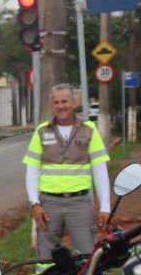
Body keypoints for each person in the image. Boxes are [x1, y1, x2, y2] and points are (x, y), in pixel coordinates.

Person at [23, 84, 111, 258]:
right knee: (46, 257)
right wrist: (35, 203)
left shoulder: (88, 129)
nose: (61, 106)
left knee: (88, 254)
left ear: (74, 102)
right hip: (49, 205)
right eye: (56, 102)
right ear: (52, 105)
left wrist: (105, 207)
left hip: (80, 203)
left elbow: (100, 170)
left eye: (65, 101)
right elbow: (32, 171)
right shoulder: (41, 132)